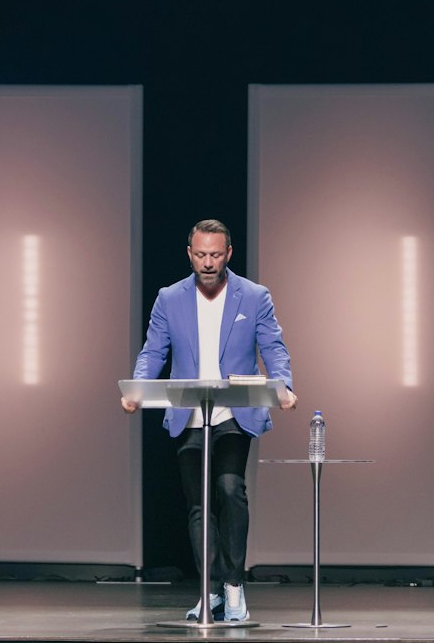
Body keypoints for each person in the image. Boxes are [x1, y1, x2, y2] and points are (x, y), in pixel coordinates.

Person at [123, 219, 297, 622]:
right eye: (200, 255)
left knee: (230, 488)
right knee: (199, 503)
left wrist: (283, 386)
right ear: (189, 254)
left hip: (234, 409)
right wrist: (136, 388)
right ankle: (210, 588)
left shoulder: (253, 296)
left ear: (228, 254)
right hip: (189, 410)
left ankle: (234, 585)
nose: (207, 262)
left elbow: (273, 347)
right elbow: (154, 351)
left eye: (215, 255)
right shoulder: (170, 298)